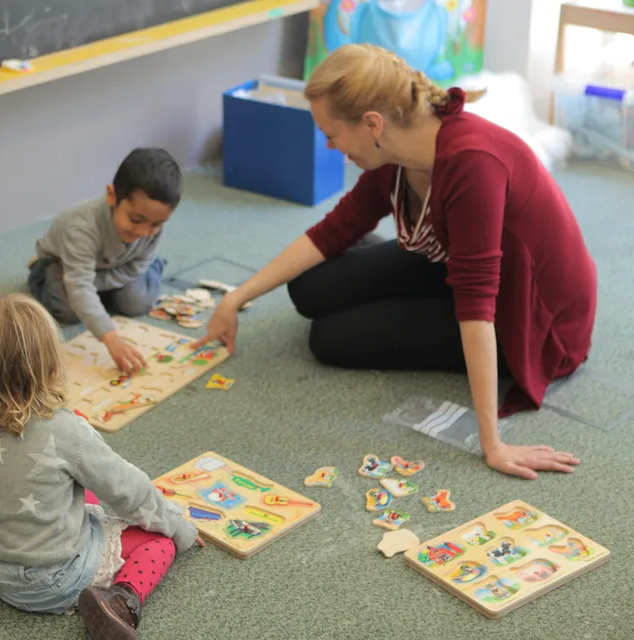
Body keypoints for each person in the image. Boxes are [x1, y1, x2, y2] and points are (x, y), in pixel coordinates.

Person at [195, 44, 595, 481]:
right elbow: (333, 230)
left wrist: (492, 443)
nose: (329, 146)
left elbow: (477, 306)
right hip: (455, 257)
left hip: (527, 317)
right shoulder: (396, 148)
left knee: (329, 339)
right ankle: (405, 251)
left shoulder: (471, 164)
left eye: (331, 134)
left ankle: (406, 270)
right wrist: (237, 297)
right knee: (308, 287)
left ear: (372, 124)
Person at [0, 294, 202, 639]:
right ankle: (120, 601)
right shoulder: (67, 431)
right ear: (50, 363)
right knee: (158, 542)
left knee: (22, 481)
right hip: (55, 580)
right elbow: (129, 492)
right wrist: (178, 525)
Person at [28, 148, 181, 373]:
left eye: (155, 224)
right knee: (68, 310)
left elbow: (134, 268)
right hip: (63, 263)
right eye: (135, 219)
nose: (143, 231)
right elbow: (79, 283)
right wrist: (111, 338)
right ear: (111, 196)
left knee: (137, 303)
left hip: (117, 266)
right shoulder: (82, 226)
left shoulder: (153, 227)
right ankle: (42, 275)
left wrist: (95, 285)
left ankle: (149, 268)